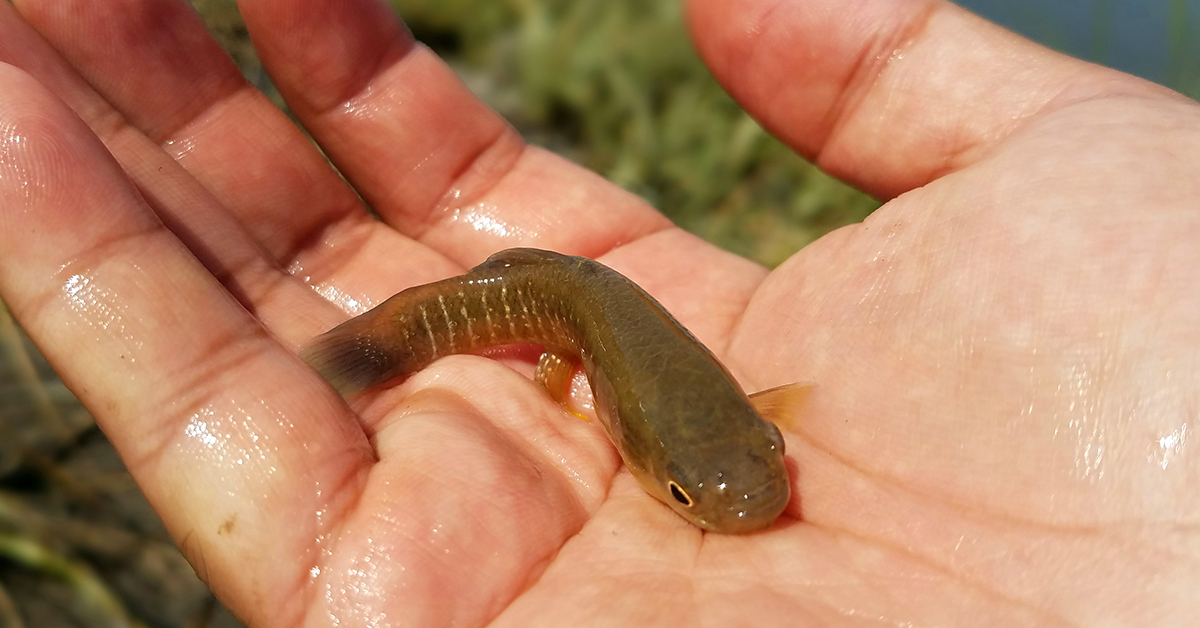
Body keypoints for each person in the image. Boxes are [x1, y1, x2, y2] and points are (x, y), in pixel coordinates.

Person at [1, 0, 1197, 624]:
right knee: (449, 322)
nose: (743, 495)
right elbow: (569, 348)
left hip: (565, 305)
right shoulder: (584, 359)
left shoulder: (714, 432)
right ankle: (358, 359)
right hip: (561, 305)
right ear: (630, 437)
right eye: (685, 489)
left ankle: (368, 355)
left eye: (745, 460)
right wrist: (556, 372)